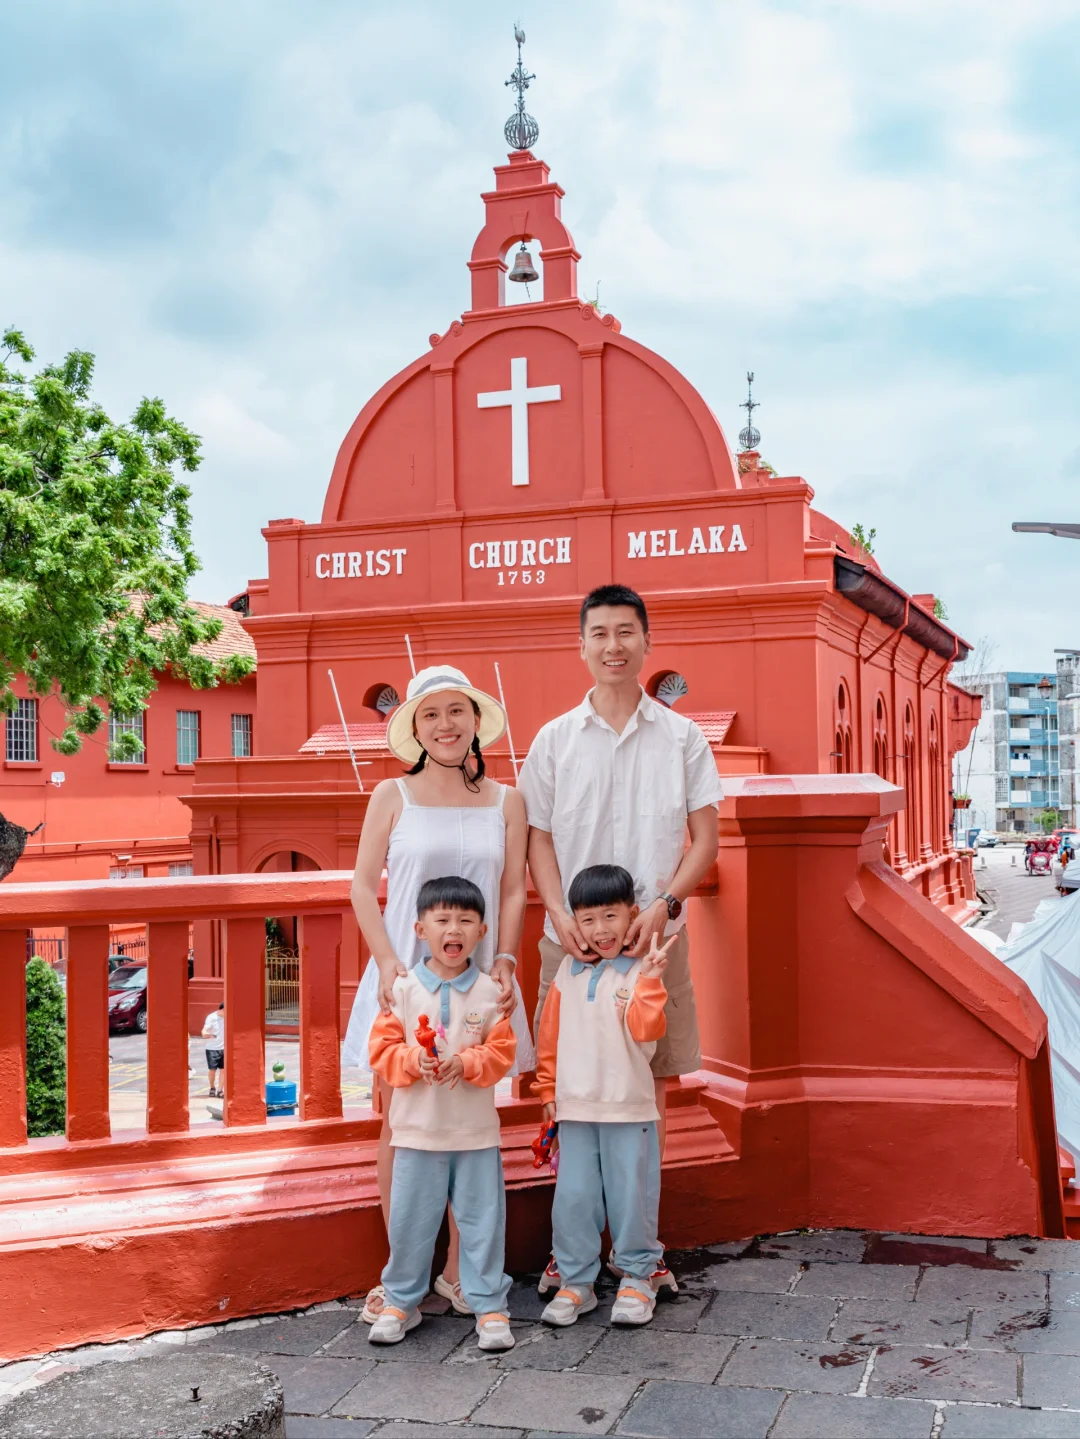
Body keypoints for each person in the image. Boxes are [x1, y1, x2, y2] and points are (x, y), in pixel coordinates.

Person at [519, 583, 721, 1293]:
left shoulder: (682, 736)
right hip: (567, 942)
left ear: (646, 640)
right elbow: (538, 840)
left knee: (652, 1098)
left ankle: (640, 1249)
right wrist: (561, 912)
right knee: (564, 1095)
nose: (613, 645)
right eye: (599, 633)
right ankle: (570, 1252)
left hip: (655, 944)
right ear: (581, 644)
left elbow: (706, 839)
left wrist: (664, 904)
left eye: (626, 632)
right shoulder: (552, 740)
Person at [343, 664, 534, 1321]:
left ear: (476, 719)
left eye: (457, 711)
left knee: (470, 1124)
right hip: (407, 983)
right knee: (400, 1124)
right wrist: (390, 967)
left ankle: (460, 1272)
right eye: (431, 714)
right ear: (415, 728)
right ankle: (403, 1275)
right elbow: (361, 885)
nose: (445, 724)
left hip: (482, 984)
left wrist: (505, 956)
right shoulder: (391, 795)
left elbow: (513, 889)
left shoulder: (507, 800)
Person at [368, 876, 516, 1350]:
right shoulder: (403, 991)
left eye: (466, 921)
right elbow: (383, 1051)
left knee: (482, 1223)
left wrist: (466, 1062)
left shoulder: (493, 994)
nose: (454, 929)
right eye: (443, 919)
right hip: (415, 1135)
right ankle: (401, 1301)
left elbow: (501, 1053)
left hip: (475, 1136)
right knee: (411, 1222)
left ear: (482, 931)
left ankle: (490, 1305)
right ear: (420, 928)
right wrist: (414, 1060)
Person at [536, 864, 675, 1327]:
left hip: (628, 1107)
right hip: (575, 1109)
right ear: (574, 922)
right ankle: (577, 1281)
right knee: (573, 1197)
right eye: (588, 919)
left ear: (633, 915)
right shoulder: (565, 976)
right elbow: (549, 1039)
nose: (601, 930)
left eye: (611, 916)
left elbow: (646, 1030)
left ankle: (637, 1277)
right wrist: (548, 1092)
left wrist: (651, 979)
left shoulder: (640, 974)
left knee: (631, 1195)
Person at [201, 1002, 225, 1097]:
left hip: (224, 1047)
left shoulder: (228, 1018)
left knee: (223, 1070)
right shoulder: (211, 1017)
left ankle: (220, 1090)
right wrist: (204, 1034)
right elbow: (205, 1029)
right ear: (222, 1009)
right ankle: (212, 1087)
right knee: (212, 1070)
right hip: (212, 1048)